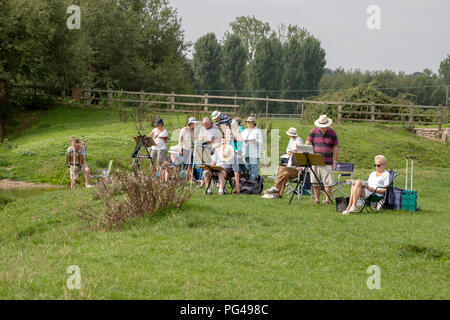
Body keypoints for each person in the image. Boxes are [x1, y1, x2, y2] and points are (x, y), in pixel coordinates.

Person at [305, 114, 338, 205]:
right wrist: (307, 151)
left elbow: (335, 148)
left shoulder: (332, 133)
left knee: (328, 183)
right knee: (315, 182)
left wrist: (335, 161)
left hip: (327, 162)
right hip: (315, 161)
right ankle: (317, 200)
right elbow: (307, 143)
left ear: (328, 125)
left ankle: (327, 200)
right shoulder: (313, 131)